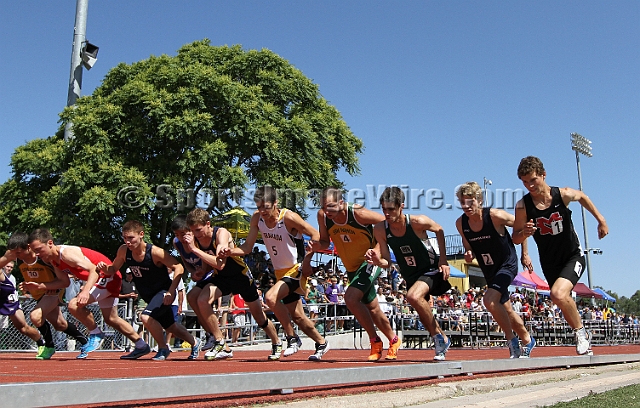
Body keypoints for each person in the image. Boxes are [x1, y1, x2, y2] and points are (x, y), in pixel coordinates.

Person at [512, 156, 608, 356]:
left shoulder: (561, 195)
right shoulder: (523, 206)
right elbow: (516, 237)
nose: (529, 185)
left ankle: (581, 334)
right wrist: (525, 239)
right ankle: (581, 331)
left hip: (572, 255)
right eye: (524, 182)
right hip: (549, 261)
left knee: (557, 293)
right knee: (559, 297)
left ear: (543, 175)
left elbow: (581, 196)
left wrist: (600, 220)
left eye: (533, 180)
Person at [221, 186, 330, 361]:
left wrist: (309, 257)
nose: (262, 210)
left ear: (275, 203)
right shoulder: (257, 219)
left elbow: (316, 235)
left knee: (270, 298)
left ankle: (291, 338)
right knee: (298, 316)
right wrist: (230, 251)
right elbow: (248, 247)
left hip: (296, 268)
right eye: (259, 206)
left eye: (266, 206)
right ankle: (321, 342)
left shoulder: (289, 217)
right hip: (280, 272)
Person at [309, 187, 400, 361]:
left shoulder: (358, 214)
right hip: (351, 268)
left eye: (331, 206)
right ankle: (394, 340)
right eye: (323, 207)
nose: (327, 211)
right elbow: (324, 241)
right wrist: (316, 246)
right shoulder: (323, 216)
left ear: (341, 203)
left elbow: (387, 223)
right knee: (373, 309)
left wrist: (376, 250)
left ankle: (374, 341)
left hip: (369, 262)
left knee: (350, 298)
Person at [28, 228, 148, 359]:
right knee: (112, 319)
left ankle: (96, 333)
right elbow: (64, 282)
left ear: (50, 243)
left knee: (74, 304)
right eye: (35, 251)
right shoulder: (52, 259)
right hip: (107, 278)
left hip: (107, 276)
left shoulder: (66, 254)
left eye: (39, 249)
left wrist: (85, 291)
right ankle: (141, 345)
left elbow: (93, 270)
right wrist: (40, 285)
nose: (37, 254)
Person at [366, 186, 452, 361]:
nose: (387, 213)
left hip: (430, 269)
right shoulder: (381, 229)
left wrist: (443, 260)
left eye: (391, 209)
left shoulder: (417, 221)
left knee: (413, 296)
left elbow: (440, 230)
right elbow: (387, 262)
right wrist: (377, 260)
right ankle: (442, 338)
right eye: (384, 209)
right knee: (421, 309)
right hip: (410, 274)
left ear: (401, 207)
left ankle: (437, 339)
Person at [184, 208, 280, 360]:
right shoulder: (197, 239)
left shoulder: (221, 233)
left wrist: (194, 250)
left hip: (239, 276)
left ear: (208, 224)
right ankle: (219, 341)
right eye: (193, 231)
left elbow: (220, 263)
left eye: (198, 230)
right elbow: (208, 262)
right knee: (200, 299)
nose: (196, 234)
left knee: (259, 317)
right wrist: (201, 272)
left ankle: (276, 342)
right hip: (221, 278)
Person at [98, 220, 200, 361]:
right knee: (171, 326)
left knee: (146, 317)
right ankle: (195, 342)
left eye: (131, 238)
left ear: (141, 235)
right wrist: (105, 268)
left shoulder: (155, 252)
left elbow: (179, 267)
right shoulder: (123, 251)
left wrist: (171, 291)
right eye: (124, 238)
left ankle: (163, 348)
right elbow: (113, 269)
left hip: (163, 291)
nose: (127, 242)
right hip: (148, 294)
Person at [455, 181, 536, 358]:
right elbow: (467, 244)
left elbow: (521, 227)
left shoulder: (495, 216)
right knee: (505, 309)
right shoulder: (461, 223)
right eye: (463, 203)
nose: (466, 207)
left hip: (507, 264)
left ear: (479, 200)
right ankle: (528, 340)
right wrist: (468, 252)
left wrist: (525, 254)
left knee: (490, 300)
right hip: (489, 269)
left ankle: (511, 341)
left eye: (470, 202)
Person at [0, 232, 89, 360]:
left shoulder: (44, 259)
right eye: (13, 253)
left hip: (53, 291)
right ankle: (85, 341)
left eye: (18, 253)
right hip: (40, 294)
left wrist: (47, 286)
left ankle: (48, 346)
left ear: (28, 247)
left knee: (35, 316)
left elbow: (64, 281)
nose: (15, 256)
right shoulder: (16, 257)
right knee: (60, 325)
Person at [170, 215, 217, 352]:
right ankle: (210, 334)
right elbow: (185, 260)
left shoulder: (198, 241)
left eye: (183, 234)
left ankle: (215, 334)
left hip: (213, 273)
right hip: (201, 275)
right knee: (191, 298)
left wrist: (202, 270)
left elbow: (208, 260)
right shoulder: (177, 243)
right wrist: (192, 272)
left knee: (201, 300)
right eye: (176, 234)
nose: (180, 237)